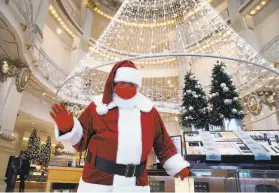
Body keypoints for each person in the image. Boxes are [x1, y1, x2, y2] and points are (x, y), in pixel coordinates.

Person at [50, 61, 190, 192]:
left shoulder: (148, 110)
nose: (127, 87)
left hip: (136, 184)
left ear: (137, 86)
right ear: (114, 83)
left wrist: (178, 166)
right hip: (98, 183)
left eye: (131, 84)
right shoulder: (98, 107)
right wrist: (68, 129)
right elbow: (81, 142)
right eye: (122, 83)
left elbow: (163, 143)